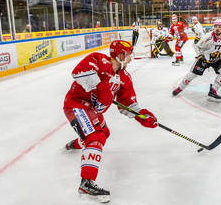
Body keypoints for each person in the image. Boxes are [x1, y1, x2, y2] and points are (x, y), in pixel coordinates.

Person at [63, 40, 158, 203]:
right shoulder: (100, 61)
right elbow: (78, 71)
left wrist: (141, 115)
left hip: (92, 111)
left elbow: (127, 103)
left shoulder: (124, 78)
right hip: (76, 104)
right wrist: (101, 86)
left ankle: (74, 144)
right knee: (96, 137)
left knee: (104, 133)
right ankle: (86, 184)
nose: (130, 59)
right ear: (121, 55)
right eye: (128, 55)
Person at [172, 19, 221, 100]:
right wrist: (200, 56)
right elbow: (196, 46)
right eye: (215, 26)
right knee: (191, 75)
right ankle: (180, 88)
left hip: (218, 60)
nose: (217, 28)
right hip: (205, 59)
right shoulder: (208, 37)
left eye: (219, 27)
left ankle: (213, 90)